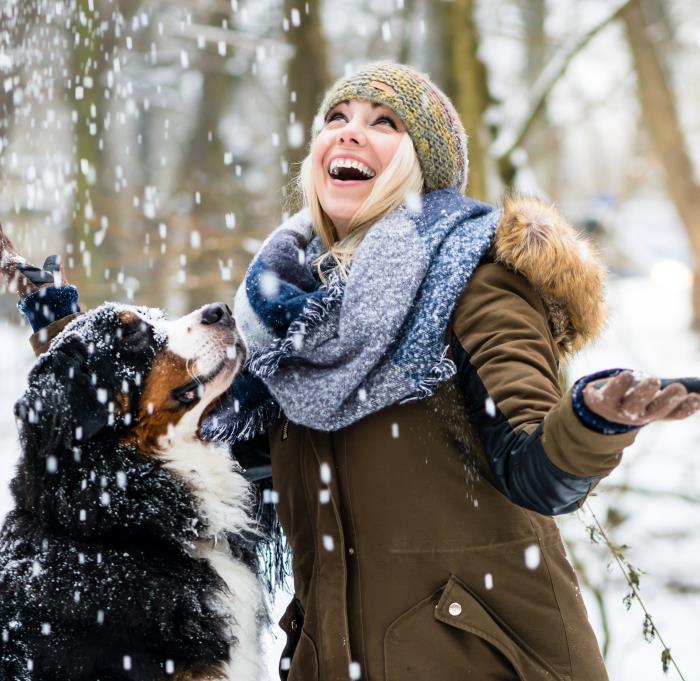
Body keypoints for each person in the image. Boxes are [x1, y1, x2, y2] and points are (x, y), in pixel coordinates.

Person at [2, 62, 699, 681]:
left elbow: (537, 468)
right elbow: (178, 439)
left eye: (383, 122)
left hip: (479, 656)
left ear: (418, 164)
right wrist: (70, 339)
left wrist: (591, 422)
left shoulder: (475, 279)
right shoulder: (286, 319)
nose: (349, 132)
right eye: (335, 118)